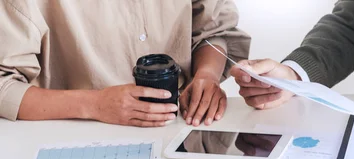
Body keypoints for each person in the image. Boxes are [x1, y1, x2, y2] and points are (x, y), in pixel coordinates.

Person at [0, 0, 250, 127]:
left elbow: (214, 31)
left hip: (181, 132)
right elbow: (3, 85)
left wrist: (207, 75)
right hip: (77, 148)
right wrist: (95, 105)